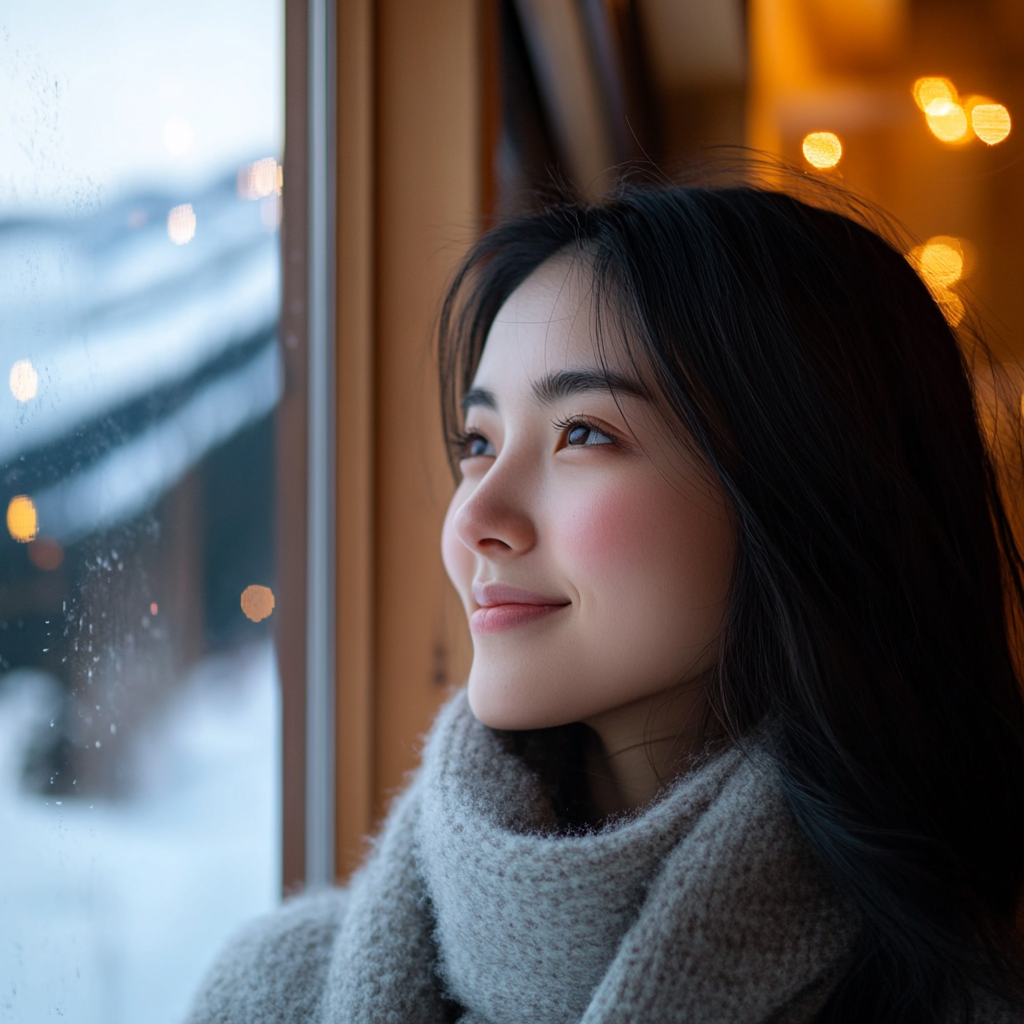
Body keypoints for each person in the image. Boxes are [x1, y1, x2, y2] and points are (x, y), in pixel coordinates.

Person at [186, 173, 1024, 1024]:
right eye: (477, 442)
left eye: (583, 433)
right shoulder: (276, 993)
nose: (473, 516)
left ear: (812, 487)